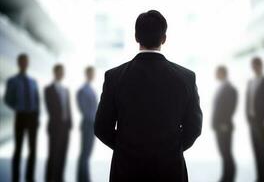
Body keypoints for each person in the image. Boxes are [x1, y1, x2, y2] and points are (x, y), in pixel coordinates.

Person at [94, 10, 203, 182]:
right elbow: (194, 127)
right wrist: (172, 149)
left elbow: (101, 127)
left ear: (136, 37)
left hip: (126, 171)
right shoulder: (186, 78)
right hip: (170, 170)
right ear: (164, 39)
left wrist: (125, 149)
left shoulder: (114, 77)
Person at [4, 53, 40, 182]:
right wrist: (18, 106)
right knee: (18, 149)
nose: (24, 63)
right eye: (22, 61)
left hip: (32, 117)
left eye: (26, 61)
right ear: (19, 63)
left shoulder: (33, 82)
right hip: (20, 116)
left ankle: (30, 177)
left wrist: (36, 116)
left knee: (33, 149)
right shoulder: (12, 81)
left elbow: (37, 100)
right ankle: (16, 177)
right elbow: (7, 99)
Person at [246, 57, 264, 182]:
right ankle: (261, 177)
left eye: (257, 65)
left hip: (263, 122)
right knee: (257, 149)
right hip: (252, 121)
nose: (255, 67)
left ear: (261, 66)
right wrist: (248, 117)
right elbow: (248, 102)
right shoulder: (250, 82)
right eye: (253, 65)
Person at [44, 64, 72, 182]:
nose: (61, 74)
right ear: (54, 73)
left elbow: (68, 108)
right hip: (55, 127)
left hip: (66, 127)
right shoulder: (48, 89)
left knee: (62, 154)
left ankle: (60, 178)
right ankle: (50, 178)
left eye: (62, 72)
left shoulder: (66, 90)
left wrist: (70, 123)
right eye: (59, 71)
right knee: (53, 155)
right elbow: (50, 108)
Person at [212, 66, 237, 182]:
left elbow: (230, 108)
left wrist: (224, 123)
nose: (215, 75)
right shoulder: (221, 87)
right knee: (224, 153)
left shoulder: (230, 89)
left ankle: (229, 178)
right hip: (219, 127)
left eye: (217, 73)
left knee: (227, 153)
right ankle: (225, 177)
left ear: (222, 73)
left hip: (225, 127)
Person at [77, 66, 98, 182]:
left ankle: (83, 177)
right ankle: (83, 179)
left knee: (87, 153)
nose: (92, 75)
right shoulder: (83, 90)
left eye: (93, 73)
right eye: (91, 73)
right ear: (87, 74)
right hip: (87, 124)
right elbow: (84, 109)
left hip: (91, 124)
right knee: (85, 153)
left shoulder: (90, 88)